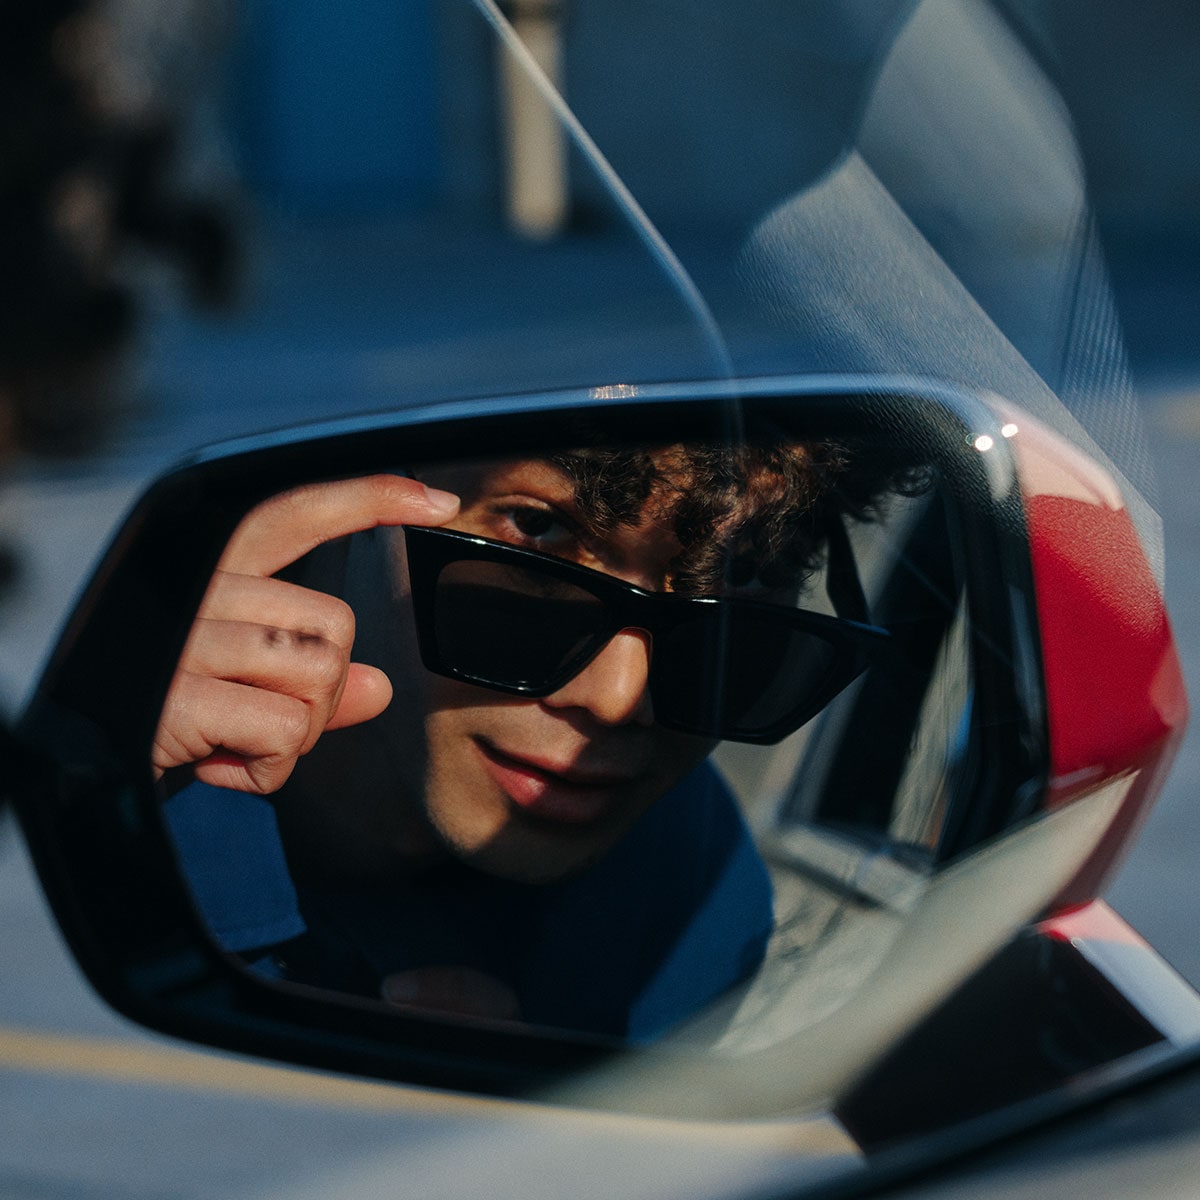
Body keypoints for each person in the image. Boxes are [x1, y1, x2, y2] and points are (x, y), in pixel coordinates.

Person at [154, 437, 906, 1040]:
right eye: (538, 532)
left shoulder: (686, 892)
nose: (618, 701)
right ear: (339, 498)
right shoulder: (140, 737)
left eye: (738, 572)